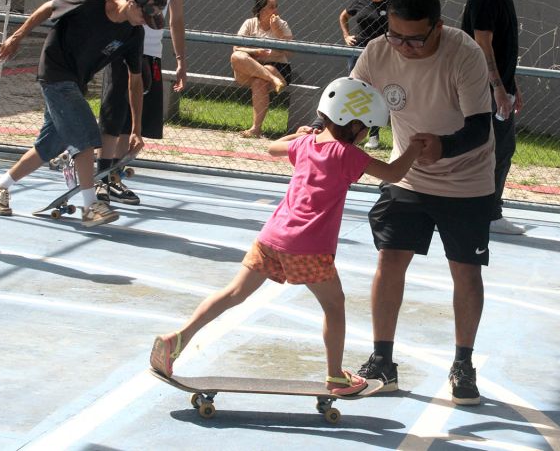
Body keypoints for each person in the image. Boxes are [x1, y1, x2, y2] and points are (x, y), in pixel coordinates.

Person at [149, 77, 424, 394]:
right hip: (309, 247)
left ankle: (176, 340)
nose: (364, 136)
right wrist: (414, 148)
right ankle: (336, 376)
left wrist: (300, 134)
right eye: (366, 129)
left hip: (272, 237)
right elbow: (393, 173)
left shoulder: (306, 144)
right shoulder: (347, 154)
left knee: (234, 293)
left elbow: (272, 147)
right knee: (334, 306)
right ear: (353, 125)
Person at [347, 0, 494, 406]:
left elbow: (480, 127)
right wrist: (325, 132)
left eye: (414, 39)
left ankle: (463, 364)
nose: (404, 47)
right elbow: (352, 103)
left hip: (466, 180)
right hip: (407, 175)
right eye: (396, 35)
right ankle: (382, 361)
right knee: (390, 260)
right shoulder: (378, 51)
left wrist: (444, 147)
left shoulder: (464, 54)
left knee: (465, 271)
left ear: (438, 28)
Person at [0, 0, 167, 227]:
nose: (145, 22)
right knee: (86, 135)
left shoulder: (134, 33)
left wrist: (136, 129)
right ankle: (90, 206)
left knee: (50, 144)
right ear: (131, 3)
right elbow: (48, 8)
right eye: (145, 16)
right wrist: (17, 37)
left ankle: (0, 185)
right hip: (54, 70)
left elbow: (135, 81)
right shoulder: (89, 2)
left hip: (76, 81)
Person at [95, 0, 193, 206]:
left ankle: (114, 176)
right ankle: (100, 177)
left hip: (151, 53)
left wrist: (180, 60)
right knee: (114, 116)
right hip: (121, 49)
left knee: (132, 120)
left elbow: (176, 18)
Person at [461, 0, 525, 235]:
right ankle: (487, 213)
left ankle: (484, 210)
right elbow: (483, 46)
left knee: (501, 149)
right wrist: (498, 88)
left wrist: (513, 86)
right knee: (491, 150)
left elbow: (504, 49)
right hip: (483, 90)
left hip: (499, 88)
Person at [339, 0, 395, 149]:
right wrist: (346, 36)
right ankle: (349, 132)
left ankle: (374, 135)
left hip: (380, 53)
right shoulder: (361, 1)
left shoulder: (391, 4)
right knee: (354, 90)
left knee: (376, 91)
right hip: (357, 52)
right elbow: (343, 16)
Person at [230, 0, 293, 138]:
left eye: (276, 6)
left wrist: (277, 32)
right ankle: (272, 78)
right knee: (236, 56)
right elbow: (236, 47)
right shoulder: (250, 23)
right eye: (271, 7)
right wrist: (255, 51)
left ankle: (255, 129)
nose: (276, 10)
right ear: (261, 10)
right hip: (251, 66)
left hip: (277, 67)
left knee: (260, 80)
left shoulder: (282, 24)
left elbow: (290, 52)